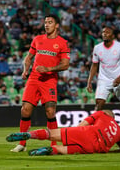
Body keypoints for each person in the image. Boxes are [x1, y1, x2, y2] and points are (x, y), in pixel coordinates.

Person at [11, 14, 70, 153]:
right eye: (45, 22)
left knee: (50, 112)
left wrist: (49, 69)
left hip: (49, 80)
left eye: (50, 22)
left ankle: (54, 144)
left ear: (57, 26)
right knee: (25, 109)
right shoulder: (37, 39)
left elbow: (65, 64)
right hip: (34, 79)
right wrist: (25, 71)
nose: (46, 24)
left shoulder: (62, 43)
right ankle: (22, 143)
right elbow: (29, 57)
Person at [6, 110, 120, 156]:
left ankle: (29, 135)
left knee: (50, 133)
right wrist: (110, 150)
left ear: (107, 114)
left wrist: (74, 132)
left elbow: (83, 124)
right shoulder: (119, 132)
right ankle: (49, 150)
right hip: (93, 148)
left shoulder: (101, 114)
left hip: (85, 133)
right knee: (61, 150)